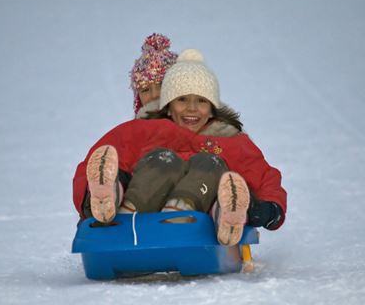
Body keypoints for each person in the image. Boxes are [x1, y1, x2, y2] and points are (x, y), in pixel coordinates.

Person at [73, 48, 287, 246]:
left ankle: (228, 215)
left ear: (213, 109)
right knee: (162, 160)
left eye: (202, 101)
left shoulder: (231, 141)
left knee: (212, 165)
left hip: (198, 216)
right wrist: (93, 195)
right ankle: (110, 200)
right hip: (139, 210)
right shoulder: (145, 130)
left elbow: (264, 176)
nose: (192, 108)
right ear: (167, 106)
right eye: (182, 99)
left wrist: (267, 209)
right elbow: (96, 162)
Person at [130, 33, 178, 118]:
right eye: (145, 89)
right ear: (138, 100)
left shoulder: (203, 128)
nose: (155, 95)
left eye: (162, 84)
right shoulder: (130, 131)